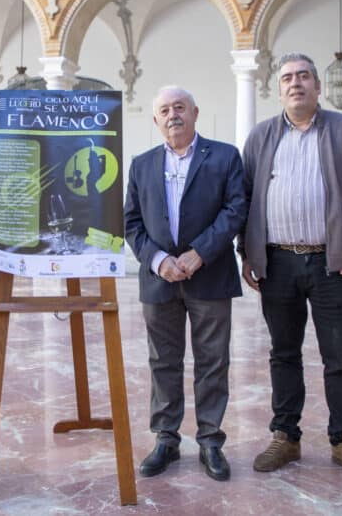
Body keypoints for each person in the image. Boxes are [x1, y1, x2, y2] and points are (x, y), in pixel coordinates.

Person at [239, 53, 342, 481]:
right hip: (278, 263)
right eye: (287, 77)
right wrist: (245, 252)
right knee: (283, 354)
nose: (295, 83)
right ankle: (285, 437)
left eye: (304, 76)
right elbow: (245, 199)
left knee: (339, 356)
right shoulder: (262, 136)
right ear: (278, 88)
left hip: (333, 264)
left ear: (318, 86)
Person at [124, 86, 247, 481]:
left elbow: (236, 209)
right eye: (164, 110)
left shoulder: (225, 156)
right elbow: (131, 222)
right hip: (160, 280)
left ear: (195, 112)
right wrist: (159, 260)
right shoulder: (141, 164)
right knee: (163, 360)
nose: (173, 114)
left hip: (209, 275)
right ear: (155, 120)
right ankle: (166, 438)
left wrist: (200, 252)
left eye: (180, 107)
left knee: (212, 360)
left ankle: (210, 440)